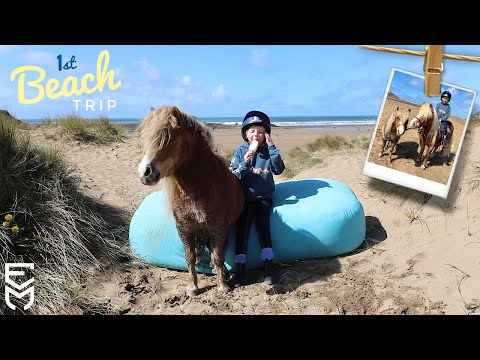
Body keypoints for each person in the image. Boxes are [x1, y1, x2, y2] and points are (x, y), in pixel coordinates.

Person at [229, 110, 285, 286]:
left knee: (263, 229)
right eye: (252, 131)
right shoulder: (240, 151)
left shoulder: (269, 151)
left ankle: (268, 267)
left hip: (263, 197)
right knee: (242, 232)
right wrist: (245, 163)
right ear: (246, 133)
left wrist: (272, 148)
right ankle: (240, 271)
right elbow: (235, 175)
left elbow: (279, 169)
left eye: (261, 132)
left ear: (266, 135)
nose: (256, 135)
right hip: (244, 198)